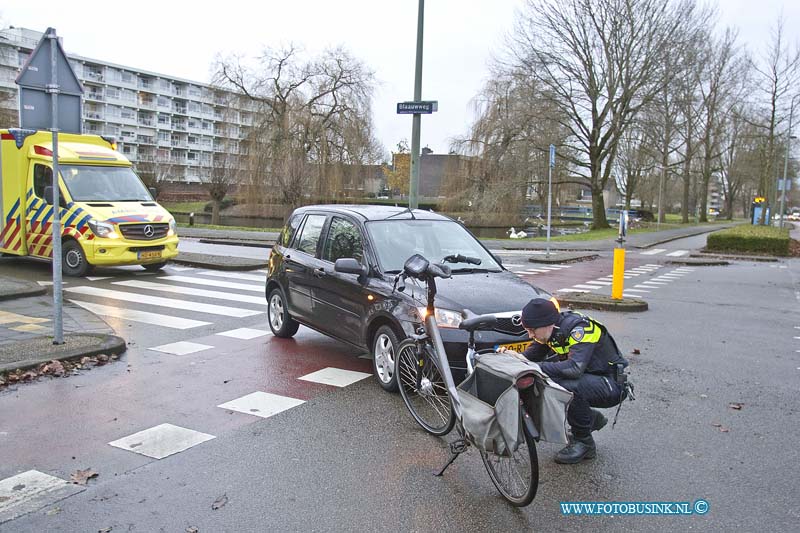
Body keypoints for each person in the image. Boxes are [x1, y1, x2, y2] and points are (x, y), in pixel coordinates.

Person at [498, 298, 629, 464]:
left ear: (547, 323)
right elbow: (529, 358)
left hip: (612, 385)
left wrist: (535, 367)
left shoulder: (581, 329)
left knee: (566, 387)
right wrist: (514, 358)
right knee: (545, 380)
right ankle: (589, 418)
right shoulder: (549, 330)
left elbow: (574, 368)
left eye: (532, 330)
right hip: (591, 379)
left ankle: (585, 443)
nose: (530, 335)